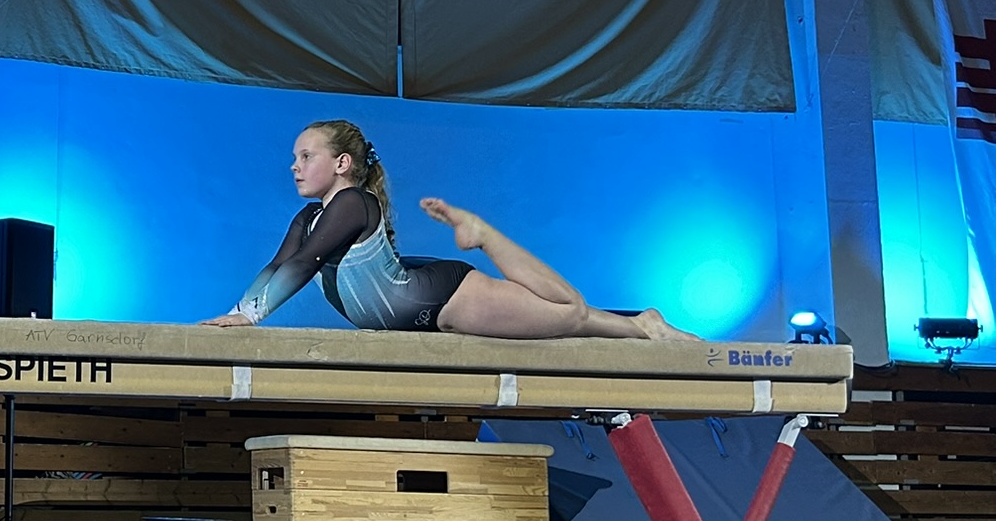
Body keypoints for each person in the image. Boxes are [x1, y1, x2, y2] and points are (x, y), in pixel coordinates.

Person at [202, 119, 693, 341]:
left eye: (306, 156)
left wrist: (252, 317)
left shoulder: (352, 203)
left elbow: (306, 263)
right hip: (427, 309)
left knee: (569, 312)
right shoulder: (308, 218)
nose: (294, 165)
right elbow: (279, 264)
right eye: (294, 157)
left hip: (445, 298)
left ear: (343, 163)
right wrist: (238, 313)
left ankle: (484, 234)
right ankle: (642, 325)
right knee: (564, 325)